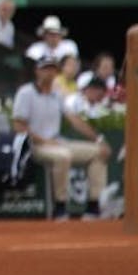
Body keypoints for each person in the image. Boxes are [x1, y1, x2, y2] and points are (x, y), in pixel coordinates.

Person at [13, 53, 111, 220]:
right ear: (37, 71)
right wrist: (44, 141)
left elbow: (74, 120)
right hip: (34, 147)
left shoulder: (57, 94)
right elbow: (19, 126)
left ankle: (94, 206)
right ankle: (60, 206)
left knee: (99, 152)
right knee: (63, 156)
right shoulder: (25, 93)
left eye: (53, 70)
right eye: (46, 69)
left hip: (57, 143)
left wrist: (98, 139)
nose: (50, 73)